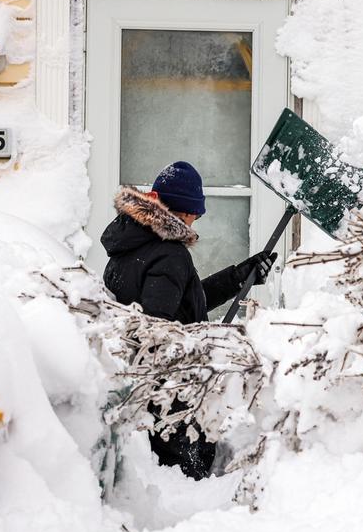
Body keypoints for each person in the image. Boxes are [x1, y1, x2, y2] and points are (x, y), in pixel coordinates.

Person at [101, 161, 276, 479]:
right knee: (186, 486)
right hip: (173, 402)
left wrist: (240, 277)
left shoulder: (130, 245)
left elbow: (181, 303)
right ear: (179, 211)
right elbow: (158, 332)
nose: (197, 219)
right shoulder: (170, 254)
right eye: (194, 211)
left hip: (139, 390)